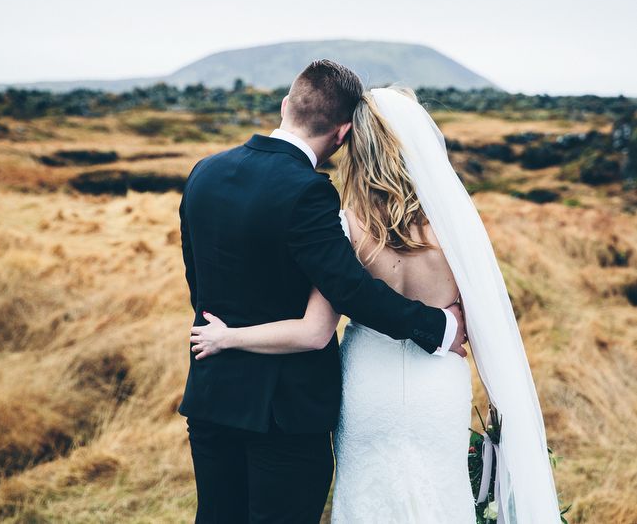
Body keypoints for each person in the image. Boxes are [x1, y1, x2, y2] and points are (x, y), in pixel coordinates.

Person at [191, 86, 562, 523]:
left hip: (367, 383)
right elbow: (485, 327)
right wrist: (501, 403)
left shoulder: (346, 223)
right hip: (437, 381)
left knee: (368, 494)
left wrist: (229, 336)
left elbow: (318, 325)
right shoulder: (454, 226)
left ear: (355, 143)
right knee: (440, 492)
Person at [178, 61, 466, 524]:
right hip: (285, 413)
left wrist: (227, 336)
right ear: (343, 133)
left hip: (213, 394)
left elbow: (199, 282)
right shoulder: (308, 192)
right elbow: (349, 289)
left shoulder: (204, 172)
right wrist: (438, 325)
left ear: (285, 105)